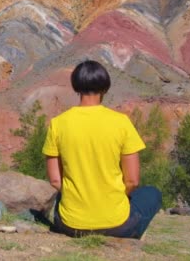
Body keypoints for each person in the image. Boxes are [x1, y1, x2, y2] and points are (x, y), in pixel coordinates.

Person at [42, 60, 161, 239]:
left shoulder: (58, 124)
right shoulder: (121, 122)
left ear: (76, 87)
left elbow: (56, 181)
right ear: (105, 88)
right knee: (152, 194)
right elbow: (132, 181)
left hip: (71, 226)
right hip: (117, 226)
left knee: (64, 195)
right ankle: (132, 233)